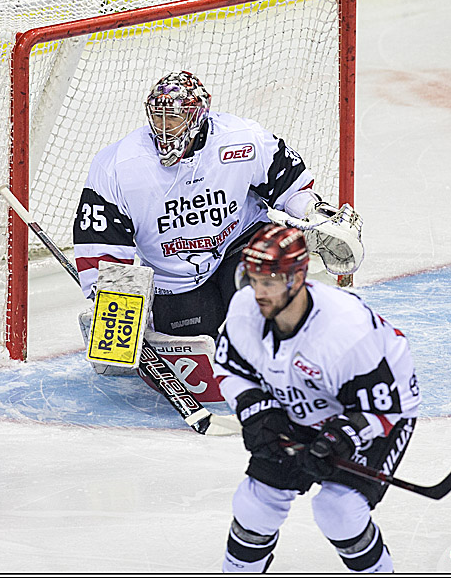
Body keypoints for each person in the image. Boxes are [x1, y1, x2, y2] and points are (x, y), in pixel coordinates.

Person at [73, 71, 363, 343]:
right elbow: (100, 241)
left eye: (174, 118)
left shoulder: (242, 138)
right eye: (157, 116)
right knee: (193, 336)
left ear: (198, 116)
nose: (164, 127)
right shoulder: (118, 166)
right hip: (173, 278)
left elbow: (288, 183)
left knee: (268, 311)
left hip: (240, 245)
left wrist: (313, 215)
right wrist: (115, 310)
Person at [212, 225, 420, 572]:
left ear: (296, 279)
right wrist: (257, 412)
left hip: (375, 411)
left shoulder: (345, 332)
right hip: (300, 400)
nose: (258, 292)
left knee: (339, 511)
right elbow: (231, 370)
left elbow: (385, 408)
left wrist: (342, 437)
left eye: (270, 281)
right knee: (256, 503)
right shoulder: (243, 310)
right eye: (253, 278)